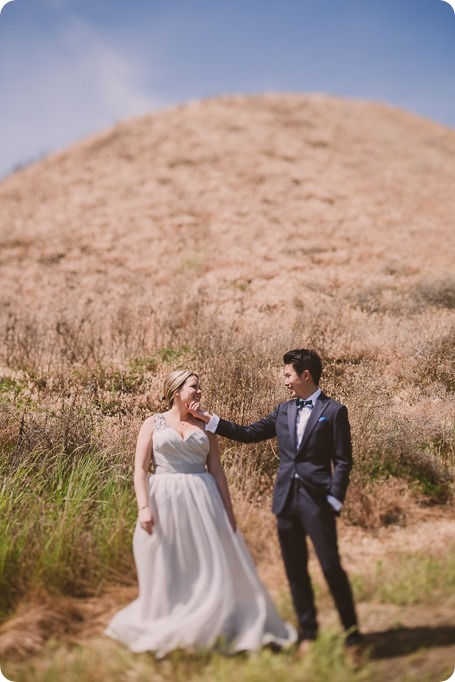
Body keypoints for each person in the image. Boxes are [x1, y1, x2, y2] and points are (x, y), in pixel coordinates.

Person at [104, 370, 296, 657]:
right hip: (164, 498)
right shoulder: (152, 423)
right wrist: (143, 507)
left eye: (200, 388)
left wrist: (228, 511)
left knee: (206, 563)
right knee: (168, 561)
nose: (199, 392)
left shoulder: (206, 426)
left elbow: (216, 470)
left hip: (203, 499)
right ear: (176, 390)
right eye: (194, 387)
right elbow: (140, 469)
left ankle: (210, 623)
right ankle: (169, 622)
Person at [189, 349, 363, 662]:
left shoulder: (335, 411)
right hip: (285, 501)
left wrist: (335, 497)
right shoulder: (283, 411)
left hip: (318, 502)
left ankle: (353, 638)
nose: (284, 381)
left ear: (305, 375)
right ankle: (308, 635)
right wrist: (209, 420)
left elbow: (343, 460)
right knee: (295, 572)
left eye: (287, 375)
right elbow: (248, 433)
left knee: (330, 567)